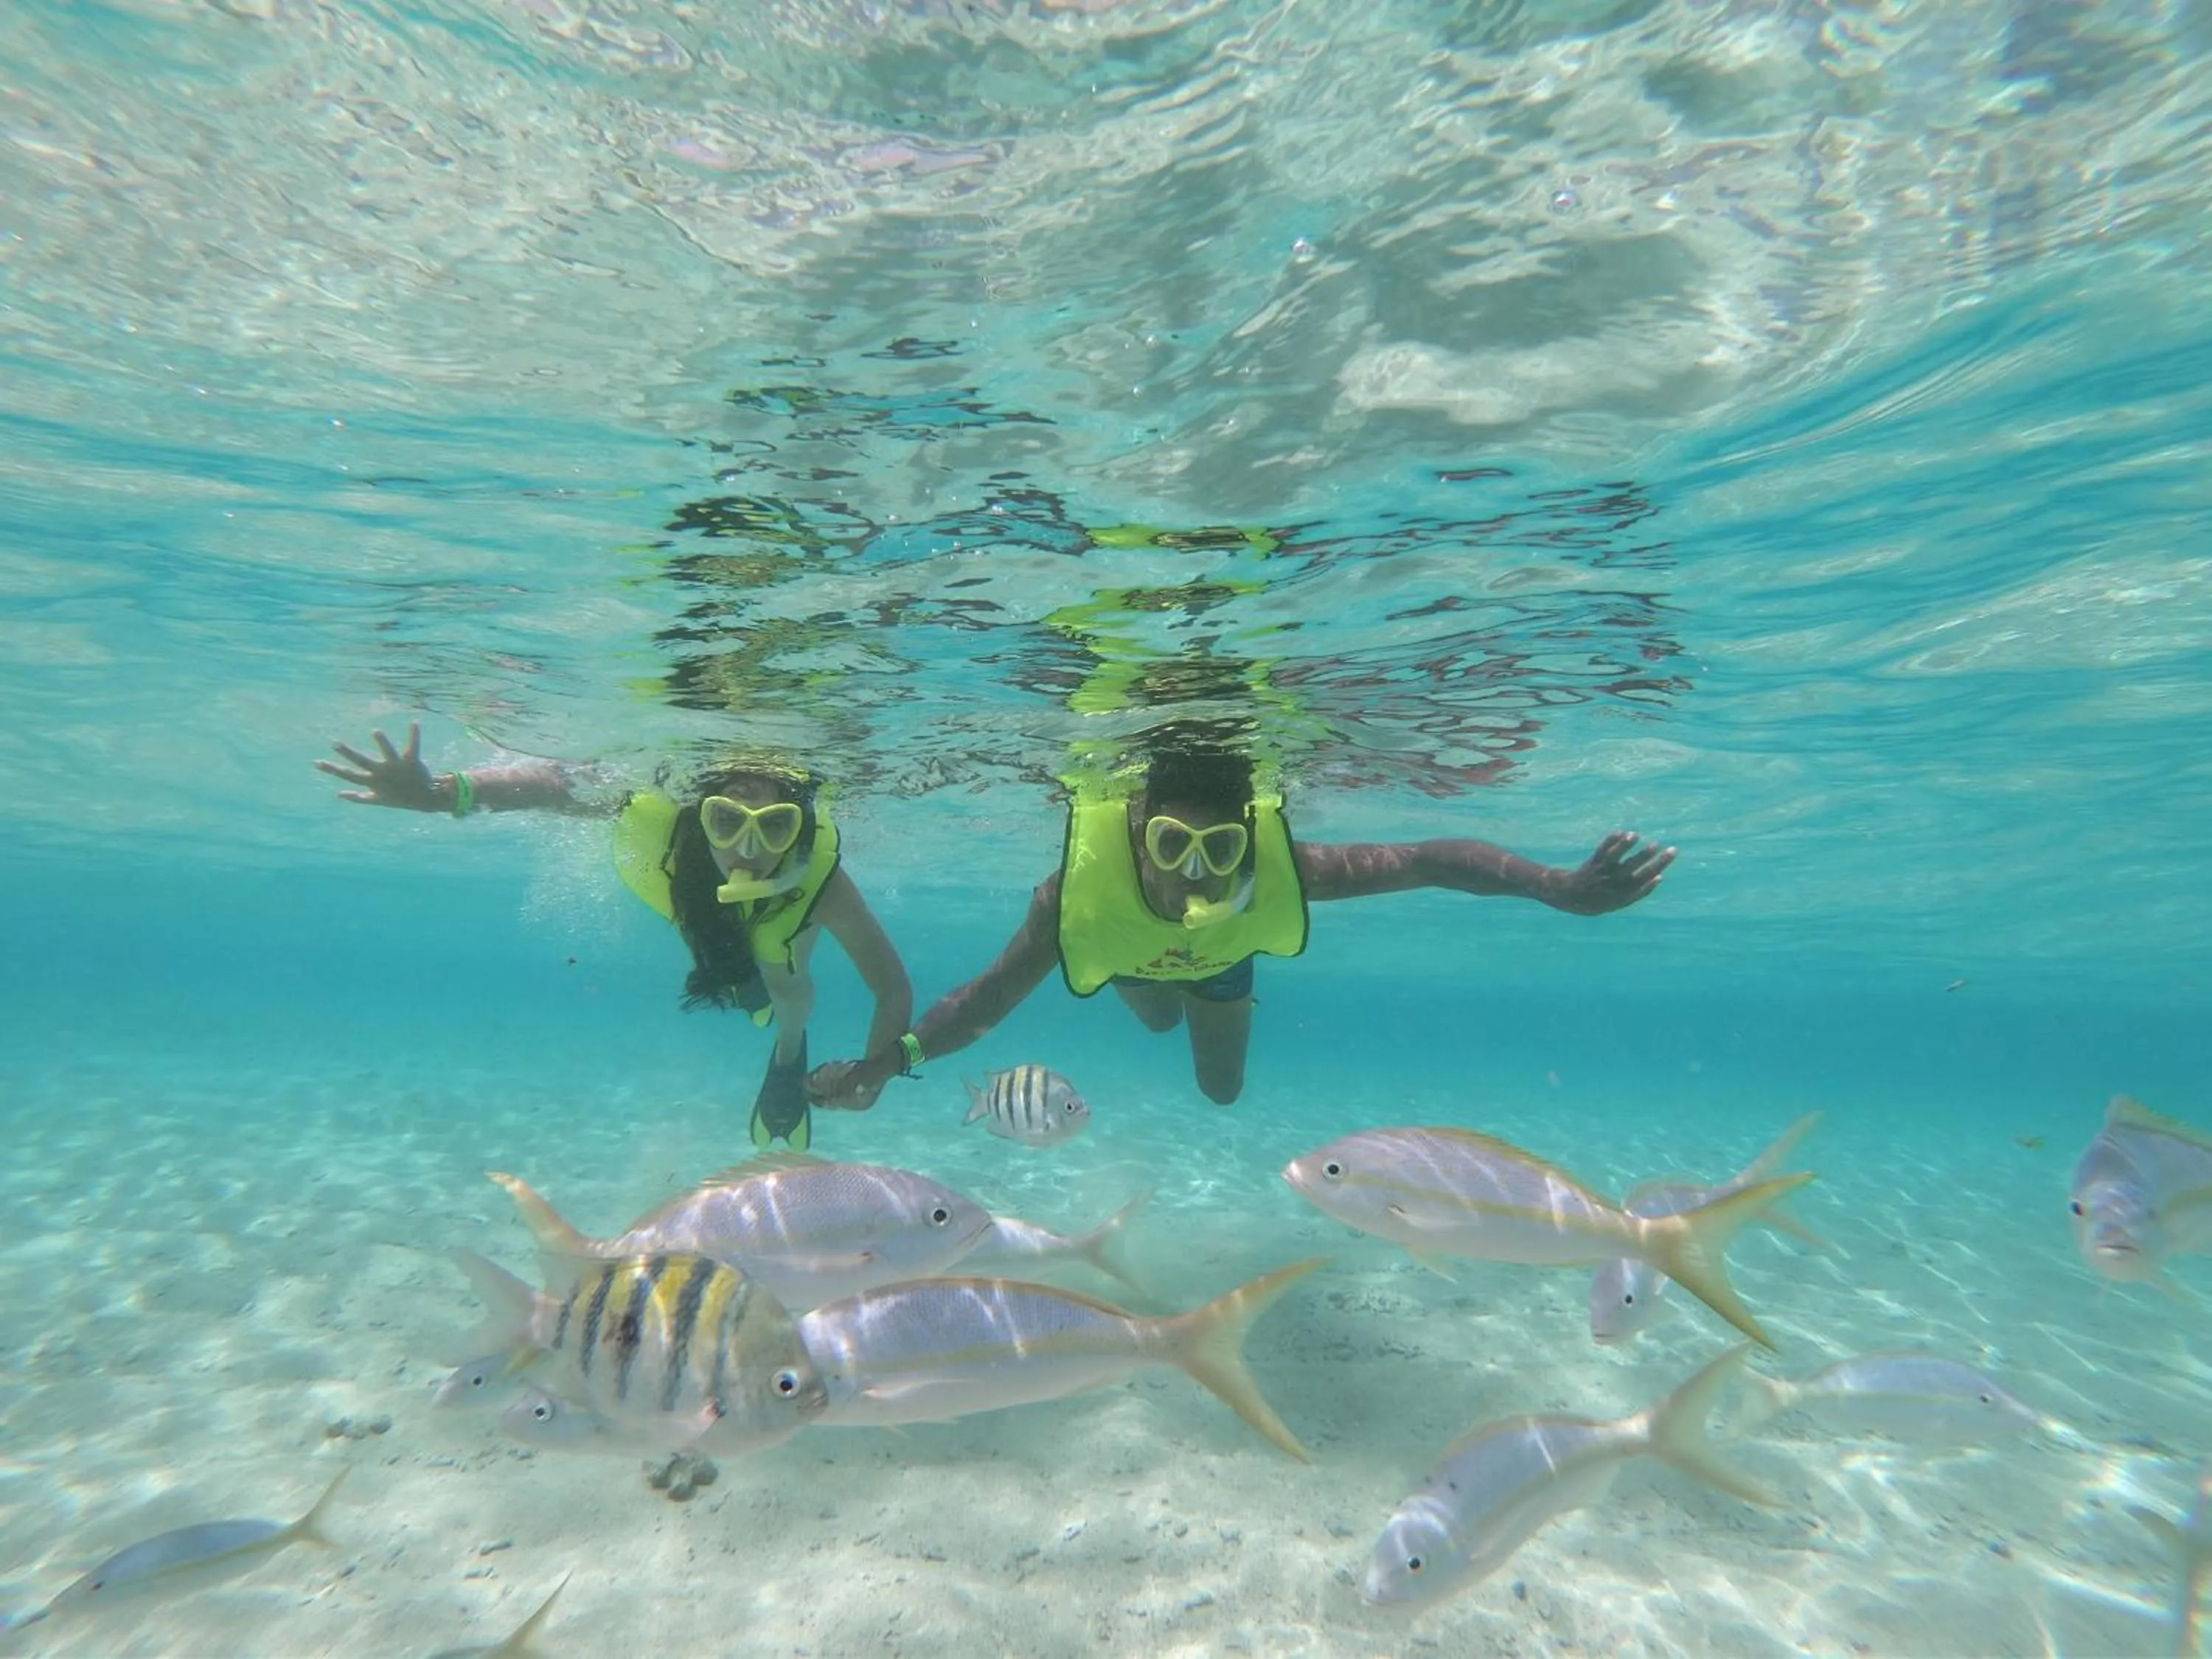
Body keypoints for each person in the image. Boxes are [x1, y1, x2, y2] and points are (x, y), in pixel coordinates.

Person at [808, 738, 1672, 1109]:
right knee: (1153, 1013)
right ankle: (1146, 984)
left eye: (1219, 847)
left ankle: (1179, 986)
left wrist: (1554, 887)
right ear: (1137, 831)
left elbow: (1426, 859)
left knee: (1221, 1091)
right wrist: (887, 1064)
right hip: (1137, 960)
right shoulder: (1071, 902)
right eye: (1172, 843)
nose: (1196, 868)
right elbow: (987, 999)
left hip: (1219, 963)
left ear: (1244, 842)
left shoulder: (1280, 873)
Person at [317, 723, 911, 1150]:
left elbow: (891, 986)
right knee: (716, 946)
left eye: (775, 827)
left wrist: (874, 1074)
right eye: (725, 821)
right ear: (700, 813)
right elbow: (555, 785)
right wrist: (442, 793)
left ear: (799, 830)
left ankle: (788, 1049)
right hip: (694, 904)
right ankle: (737, 977)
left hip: (786, 916)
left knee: (786, 981)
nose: (747, 849)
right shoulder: (667, 829)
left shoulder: (822, 883)